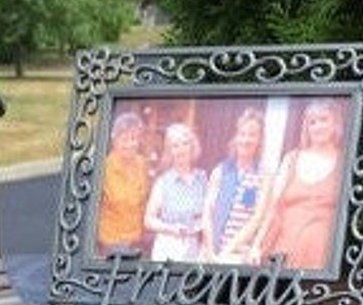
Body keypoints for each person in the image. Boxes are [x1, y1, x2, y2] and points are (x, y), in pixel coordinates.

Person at [240, 99, 347, 270]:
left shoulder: (345, 162)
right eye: (312, 122)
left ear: (335, 123)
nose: (318, 126)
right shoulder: (291, 159)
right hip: (283, 247)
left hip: (321, 253)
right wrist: (257, 245)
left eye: (323, 120)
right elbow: (272, 207)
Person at [200, 106, 270, 261]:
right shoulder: (220, 171)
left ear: (260, 139)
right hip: (210, 252)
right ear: (236, 137)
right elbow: (207, 213)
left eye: (252, 135)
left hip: (237, 255)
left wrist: (226, 253)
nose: (246, 140)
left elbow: (257, 218)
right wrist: (211, 250)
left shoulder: (264, 176)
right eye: (242, 134)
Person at [144, 122, 207, 261]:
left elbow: (208, 215)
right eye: (175, 146)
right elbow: (148, 220)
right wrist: (172, 229)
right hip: (168, 248)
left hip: (194, 248)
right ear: (169, 151)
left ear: (192, 146)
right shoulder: (163, 182)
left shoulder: (202, 178)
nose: (181, 150)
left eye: (185, 144)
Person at [95, 109, 150, 255]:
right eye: (124, 139)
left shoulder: (142, 163)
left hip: (138, 240)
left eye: (134, 139)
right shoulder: (104, 168)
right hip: (111, 242)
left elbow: (144, 200)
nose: (130, 144)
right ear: (114, 139)